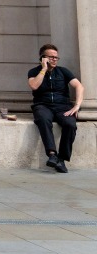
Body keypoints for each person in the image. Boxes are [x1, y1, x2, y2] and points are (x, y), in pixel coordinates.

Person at [28, 43, 84, 173]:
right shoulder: (34, 72)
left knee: (70, 124)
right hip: (42, 105)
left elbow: (79, 86)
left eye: (56, 57)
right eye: (51, 57)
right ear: (43, 58)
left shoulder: (63, 71)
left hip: (62, 106)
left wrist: (77, 106)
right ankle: (52, 154)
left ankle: (61, 159)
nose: (54, 59)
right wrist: (43, 69)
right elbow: (34, 86)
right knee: (42, 119)